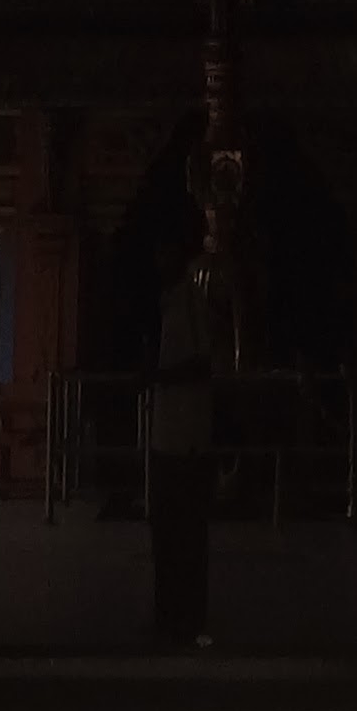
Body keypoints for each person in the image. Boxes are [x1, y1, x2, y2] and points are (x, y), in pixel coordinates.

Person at [146, 231, 217, 647]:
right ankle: (170, 614)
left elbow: (200, 363)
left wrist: (159, 376)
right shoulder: (173, 302)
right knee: (169, 533)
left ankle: (185, 617)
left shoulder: (189, 301)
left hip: (185, 438)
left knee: (183, 533)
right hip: (170, 435)